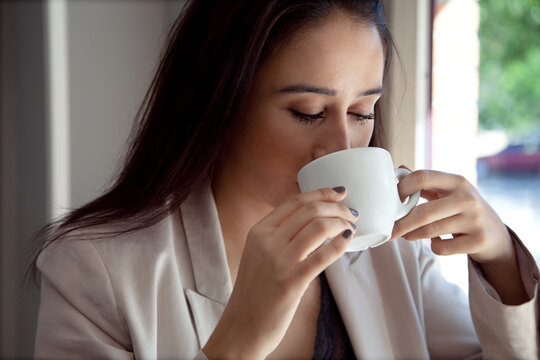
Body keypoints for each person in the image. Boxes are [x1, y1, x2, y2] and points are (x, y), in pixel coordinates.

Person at [32, 0, 539, 359]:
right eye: (309, 112)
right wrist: (238, 343)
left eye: (362, 111)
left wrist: (500, 261)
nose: (342, 145)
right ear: (220, 103)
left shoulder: (389, 250)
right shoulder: (94, 268)